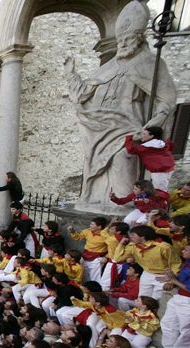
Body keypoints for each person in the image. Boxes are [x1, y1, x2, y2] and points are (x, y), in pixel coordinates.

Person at [65, 0, 176, 206]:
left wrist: (154, 124)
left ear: (139, 38)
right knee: (95, 167)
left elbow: (166, 100)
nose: (123, 44)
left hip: (128, 128)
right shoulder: (109, 66)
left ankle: (124, 207)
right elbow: (82, 95)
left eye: (128, 39)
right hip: (101, 127)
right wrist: (71, 74)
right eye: (121, 40)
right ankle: (98, 201)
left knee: (122, 161)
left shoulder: (149, 64)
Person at [113, 225, 181, 300]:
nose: (131, 237)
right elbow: (117, 258)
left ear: (143, 236)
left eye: (133, 235)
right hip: (147, 274)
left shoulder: (163, 247)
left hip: (163, 276)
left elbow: (176, 263)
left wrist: (171, 281)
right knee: (142, 299)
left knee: (156, 301)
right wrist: (121, 244)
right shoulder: (133, 246)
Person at [157, 241, 190, 348]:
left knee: (187, 329)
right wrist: (169, 277)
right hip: (179, 296)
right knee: (168, 322)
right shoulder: (188, 262)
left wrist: (174, 280)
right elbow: (180, 279)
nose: (182, 251)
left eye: (186, 250)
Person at [124, 126, 175, 191]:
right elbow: (171, 146)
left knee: (160, 191)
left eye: (144, 134)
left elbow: (131, 149)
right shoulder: (163, 143)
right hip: (167, 168)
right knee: (159, 188)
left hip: (160, 171)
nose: (141, 136)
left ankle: (160, 201)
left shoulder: (147, 147)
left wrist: (129, 137)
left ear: (151, 136)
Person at [68, 217, 108, 283]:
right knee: (83, 274)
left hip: (97, 258)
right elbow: (78, 237)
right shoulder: (87, 231)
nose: (90, 226)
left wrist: (106, 257)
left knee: (94, 277)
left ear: (99, 227)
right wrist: (73, 232)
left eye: (92, 224)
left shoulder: (105, 235)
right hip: (85, 255)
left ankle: (94, 291)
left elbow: (111, 247)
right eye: (90, 224)